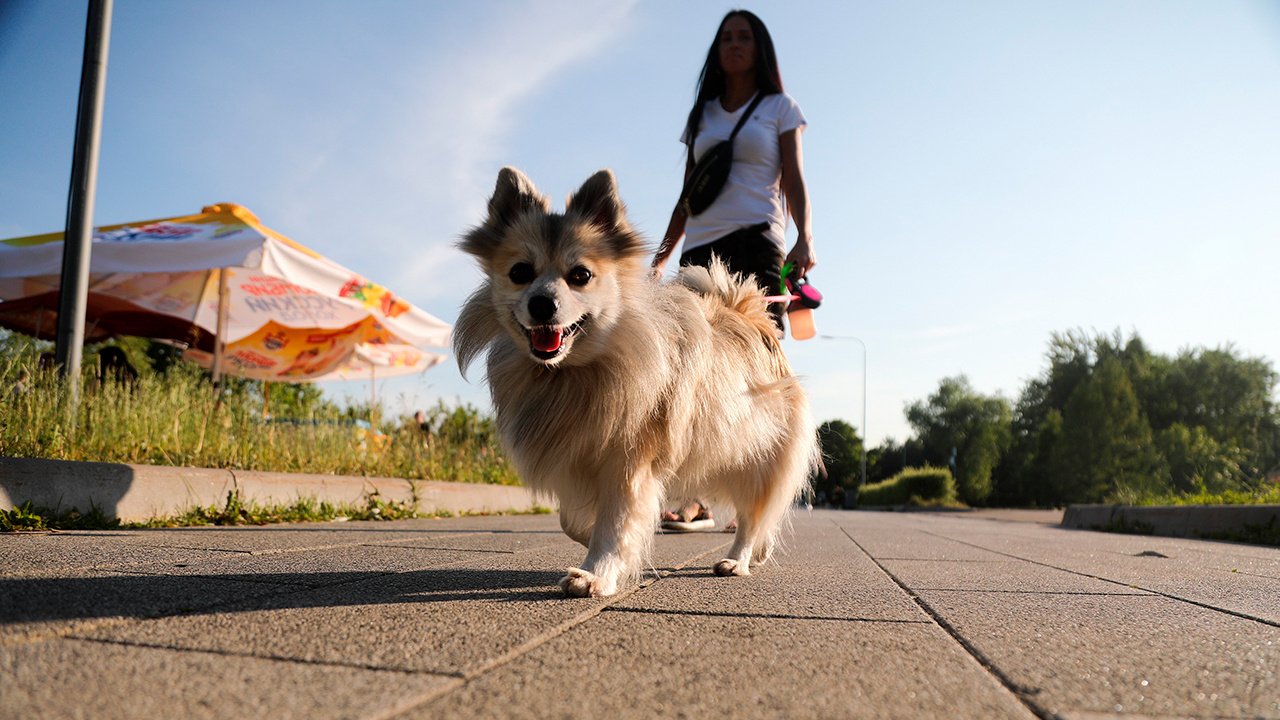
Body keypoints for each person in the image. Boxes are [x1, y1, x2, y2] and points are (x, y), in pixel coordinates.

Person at [653, 9, 815, 532]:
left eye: (744, 36)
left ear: (760, 48)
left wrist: (804, 237)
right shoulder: (701, 115)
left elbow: (794, 180)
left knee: (759, 367)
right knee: (690, 366)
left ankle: (755, 496)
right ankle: (696, 497)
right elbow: (687, 193)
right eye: (726, 37)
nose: (734, 44)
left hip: (756, 243)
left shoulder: (779, 108)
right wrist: (660, 255)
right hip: (701, 244)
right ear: (716, 50)